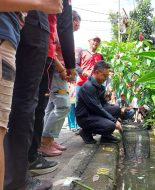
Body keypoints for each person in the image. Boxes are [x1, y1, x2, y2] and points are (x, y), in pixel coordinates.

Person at [4, 0, 75, 189]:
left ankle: (16, 170)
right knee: (25, 102)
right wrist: (70, 64)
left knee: (16, 103)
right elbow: (64, 19)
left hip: (20, 22)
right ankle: (17, 178)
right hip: (31, 27)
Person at [38, 10, 81, 156]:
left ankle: (49, 139)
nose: (77, 27)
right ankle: (45, 141)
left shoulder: (62, 33)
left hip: (59, 73)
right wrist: (63, 70)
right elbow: (51, 52)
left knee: (51, 107)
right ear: (71, 19)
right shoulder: (56, 30)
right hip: (57, 72)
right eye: (76, 24)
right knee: (63, 105)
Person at [76, 61, 122, 144]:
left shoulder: (99, 86)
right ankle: (86, 132)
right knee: (110, 125)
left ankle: (106, 136)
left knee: (116, 109)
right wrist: (114, 121)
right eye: (104, 75)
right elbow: (97, 108)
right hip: (85, 117)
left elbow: (104, 104)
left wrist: (114, 111)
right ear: (96, 72)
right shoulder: (88, 87)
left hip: (93, 113)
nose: (106, 78)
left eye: (107, 76)